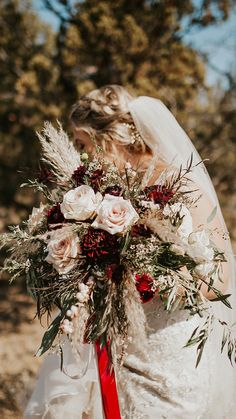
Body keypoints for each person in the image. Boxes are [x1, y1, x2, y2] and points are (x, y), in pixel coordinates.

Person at [24, 85, 236, 419]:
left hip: (171, 354)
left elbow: (220, 281)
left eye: (82, 144)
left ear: (110, 136)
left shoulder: (181, 183)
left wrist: (155, 280)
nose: (81, 155)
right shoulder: (97, 192)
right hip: (120, 351)